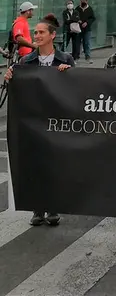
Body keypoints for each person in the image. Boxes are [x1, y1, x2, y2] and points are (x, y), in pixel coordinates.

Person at [4, 14, 74, 227]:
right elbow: (20, 92)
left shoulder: (65, 59)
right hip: (34, 121)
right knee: (35, 165)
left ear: (53, 35)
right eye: (35, 32)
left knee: (53, 165)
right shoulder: (27, 61)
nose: (37, 35)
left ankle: (52, 207)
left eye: (41, 32)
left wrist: (69, 74)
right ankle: (37, 209)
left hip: (56, 120)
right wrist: (10, 80)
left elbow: (77, 89)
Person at [76, 0, 96, 64]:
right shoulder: (77, 9)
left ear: (87, 1)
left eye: (84, 1)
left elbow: (93, 18)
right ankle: (76, 57)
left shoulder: (89, 9)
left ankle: (88, 56)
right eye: (82, 1)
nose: (83, 2)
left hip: (87, 29)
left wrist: (87, 22)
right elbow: (74, 17)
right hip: (78, 29)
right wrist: (78, 20)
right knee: (77, 43)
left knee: (87, 43)